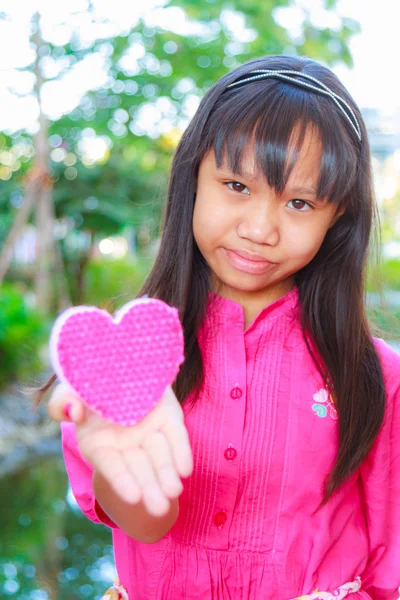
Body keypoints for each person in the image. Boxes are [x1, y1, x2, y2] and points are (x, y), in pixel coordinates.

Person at [38, 54, 400, 599]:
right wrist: (120, 464)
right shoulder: (126, 363)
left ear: (338, 217)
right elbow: (145, 524)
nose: (259, 229)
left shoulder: (378, 377)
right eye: (236, 185)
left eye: (299, 202)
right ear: (194, 178)